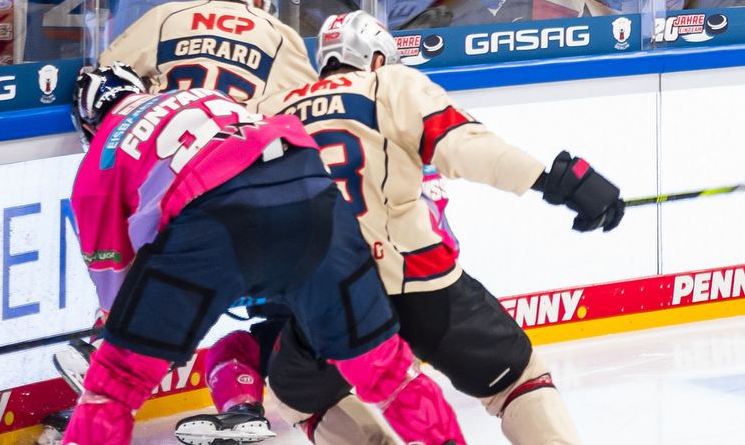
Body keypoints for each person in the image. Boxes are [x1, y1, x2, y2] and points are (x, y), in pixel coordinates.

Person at [58, 63, 466, 445]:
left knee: (115, 383)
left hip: (214, 222)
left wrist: (126, 340)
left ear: (89, 122)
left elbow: (116, 283)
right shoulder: (202, 95)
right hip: (310, 191)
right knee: (388, 372)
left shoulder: (101, 158)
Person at [268, 14, 622, 445]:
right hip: (414, 278)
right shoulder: (389, 83)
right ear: (377, 58)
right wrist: (551, 181)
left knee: (300, 399)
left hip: (327, 296)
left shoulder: (276, 109)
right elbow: (463, 145)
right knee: (518, 379)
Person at [94, 0, 320, 442]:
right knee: (276, 302)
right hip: (239, 181)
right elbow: (304, 116)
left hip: (158, 177)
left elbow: (107, 85)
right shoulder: (279, 36)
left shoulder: (163, 17)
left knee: (138, 281)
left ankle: (102, 359)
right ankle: (249, 399)